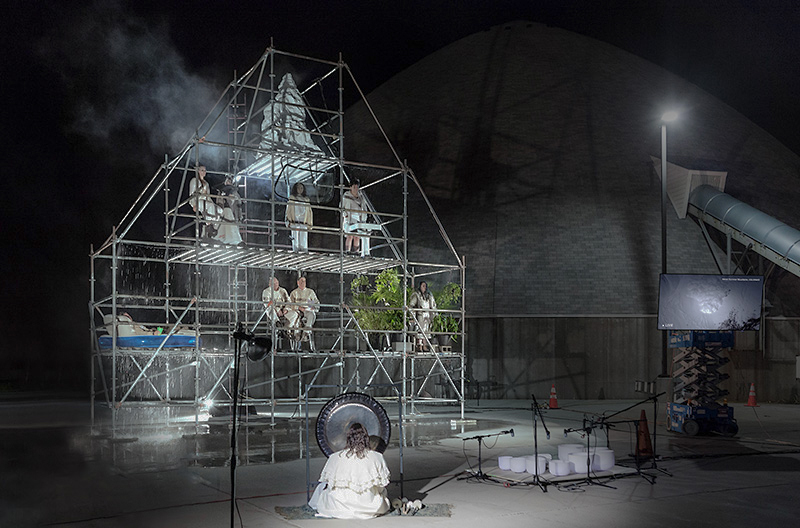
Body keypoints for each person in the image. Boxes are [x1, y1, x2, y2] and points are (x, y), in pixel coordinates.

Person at [309, 423, 390, 519]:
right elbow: (381, 486)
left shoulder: (334, 457)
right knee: (382, 493)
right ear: (366, 438)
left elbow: (328, 483)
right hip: (369, 507)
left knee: (321, 488)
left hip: (338, 506)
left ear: (348, 438)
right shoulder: (377, 456)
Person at [285, 275, 319, 348]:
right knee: (295, 316)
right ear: (298, 283)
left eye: (304, 281)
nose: (303, 283)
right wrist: (299, 307)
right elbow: (290, 304)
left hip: (307, 310)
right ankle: (296, 335)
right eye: (301, 281)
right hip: (297, 310)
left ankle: (306, 333)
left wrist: (311, 307)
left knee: (311, 315)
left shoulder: (310, 292)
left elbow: (315, 303)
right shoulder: (294, 293)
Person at [188, 165, 221, 238]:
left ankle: (214, 226)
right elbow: (191, 193)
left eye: (205, 170)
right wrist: (193, 204)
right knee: (210, 206)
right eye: (202, 170)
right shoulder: (194, 180)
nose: (204, 172)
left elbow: (208, 195)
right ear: (198, 171)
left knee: (219, 210)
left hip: (206, 200)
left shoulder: (206, 183)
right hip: (198, 200)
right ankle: (208, 224)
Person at [409, 281, 437, 350]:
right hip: (420, 314)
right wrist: (412, 315)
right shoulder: (417, 295)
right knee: (420, 330)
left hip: (427, 315)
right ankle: (419, 345)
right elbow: (411, 304)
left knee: (427, 330)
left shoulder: (429, 295)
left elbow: (433, 306)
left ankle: (425, 345)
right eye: (422, 286)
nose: (424, 288)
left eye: (425, 286)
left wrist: (435, 315)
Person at [286, 182, 313, 252]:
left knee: (303, 239)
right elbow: (288, 210)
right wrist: (287, 220)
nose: (300, 189)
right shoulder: (292, 198)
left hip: (303, 222)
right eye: (298, 188)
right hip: (294, 221)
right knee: (295, 240)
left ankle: (304, 252)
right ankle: (295, 252)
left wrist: (310, 223)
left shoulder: (306, 199)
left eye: (301, 188)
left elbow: (309, 212)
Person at [340, 179, 366, 254]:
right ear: (350, 187)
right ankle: (347, 251)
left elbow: (364, 208)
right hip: (349, 219)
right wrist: (345, 214)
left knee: (357, 236)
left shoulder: (361, 197)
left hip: (358, 219)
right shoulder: (346, 196)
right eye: (354, 187)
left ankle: (356, 252)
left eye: (357, 187)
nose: (356, 189)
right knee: (349, 235)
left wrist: (363, 218)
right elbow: (341, 207)